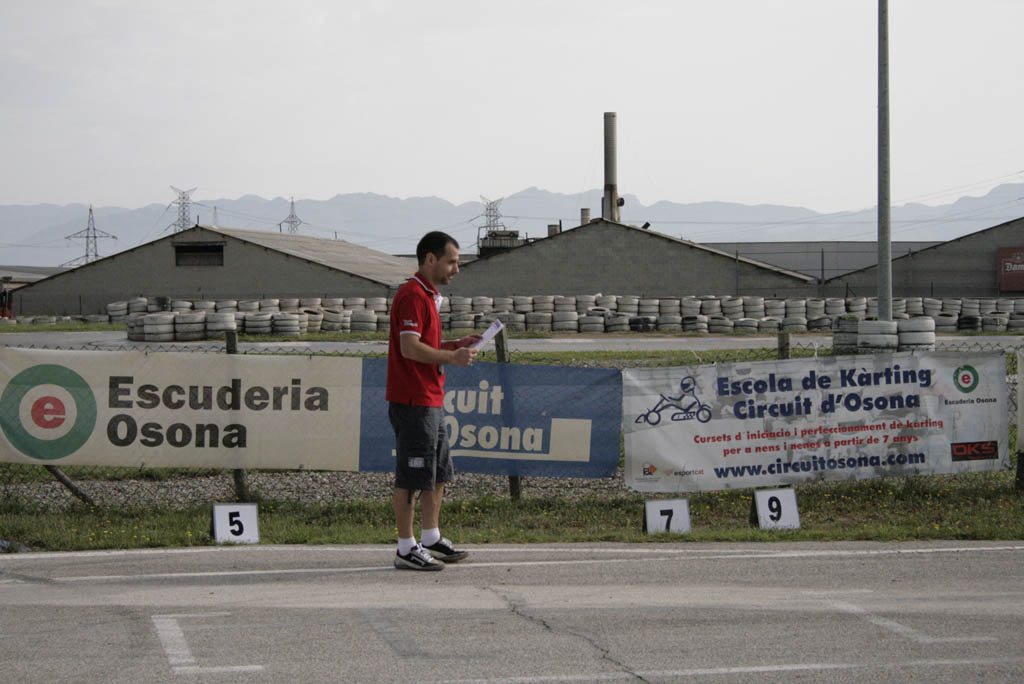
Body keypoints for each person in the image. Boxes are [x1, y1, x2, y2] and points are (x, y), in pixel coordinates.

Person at [387, 231, 481, 571]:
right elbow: (409, 348)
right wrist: (452, 358)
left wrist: (454, 345)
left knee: (437, 472)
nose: (456, 268)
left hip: (430, 398)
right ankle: (405, 547)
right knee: (412, 476)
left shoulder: (427, 296)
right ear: (431, 259)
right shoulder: (413, 295)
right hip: (414, 400)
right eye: (452, 261)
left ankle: (430, 537)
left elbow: (426, 344)